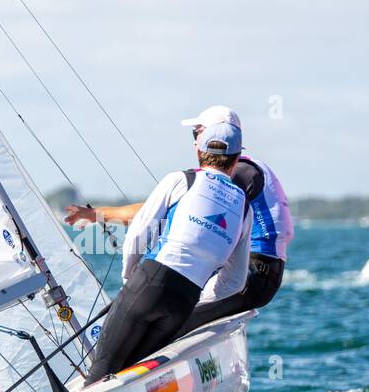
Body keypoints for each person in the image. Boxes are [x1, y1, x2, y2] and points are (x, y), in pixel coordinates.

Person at [66, 105, 292, 332]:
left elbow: (158, 213)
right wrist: (97, 215)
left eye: (197, 133)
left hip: (251, 276)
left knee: (159, 323)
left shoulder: (239, 175)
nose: (194, 142)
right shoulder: (241, 171)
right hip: (255, 276)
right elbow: (156, 211)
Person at [82, 112, 252, 383]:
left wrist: (130, 277)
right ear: (236, 159)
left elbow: (139, 231)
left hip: (148, 285)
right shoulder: (245, 208)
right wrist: (196, 293)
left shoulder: (181, 180)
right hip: (184, 302)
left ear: (200, 151)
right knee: (129, 378)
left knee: (100, 377)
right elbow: (234, 282)